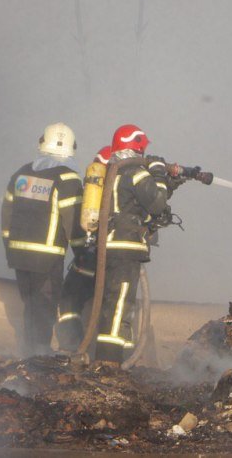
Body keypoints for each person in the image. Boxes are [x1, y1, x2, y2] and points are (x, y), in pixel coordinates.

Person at [94, 124, 177, 365]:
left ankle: (116, 358)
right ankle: (107, 363)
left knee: (112, 301)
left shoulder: (112, 172)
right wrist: (160, 175)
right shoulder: (137, 174)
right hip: (125, 246)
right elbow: (158, 204)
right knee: (119, 303)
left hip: (107, 246)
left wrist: (169, 183)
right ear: (138, 146)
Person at [1, 123, 83, 356]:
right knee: (44, 305)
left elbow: (6, 214)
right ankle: (39, 356)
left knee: (30, 304)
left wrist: (9, 246)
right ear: (72, 148)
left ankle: (29, 353)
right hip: (46, 257)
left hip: (18, 255)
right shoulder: (67, 178)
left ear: (42, 143)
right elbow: (73, 222)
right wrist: (83, 253)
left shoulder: (21, 173)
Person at [56, 145, 111, 352]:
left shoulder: (93, 191)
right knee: (116, 308)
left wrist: (80, 254)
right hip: (115, 267)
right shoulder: (129, 193)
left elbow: (80, 226)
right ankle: (115, 356)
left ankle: (71, 348)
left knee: (69, 300)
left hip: (88, 261)